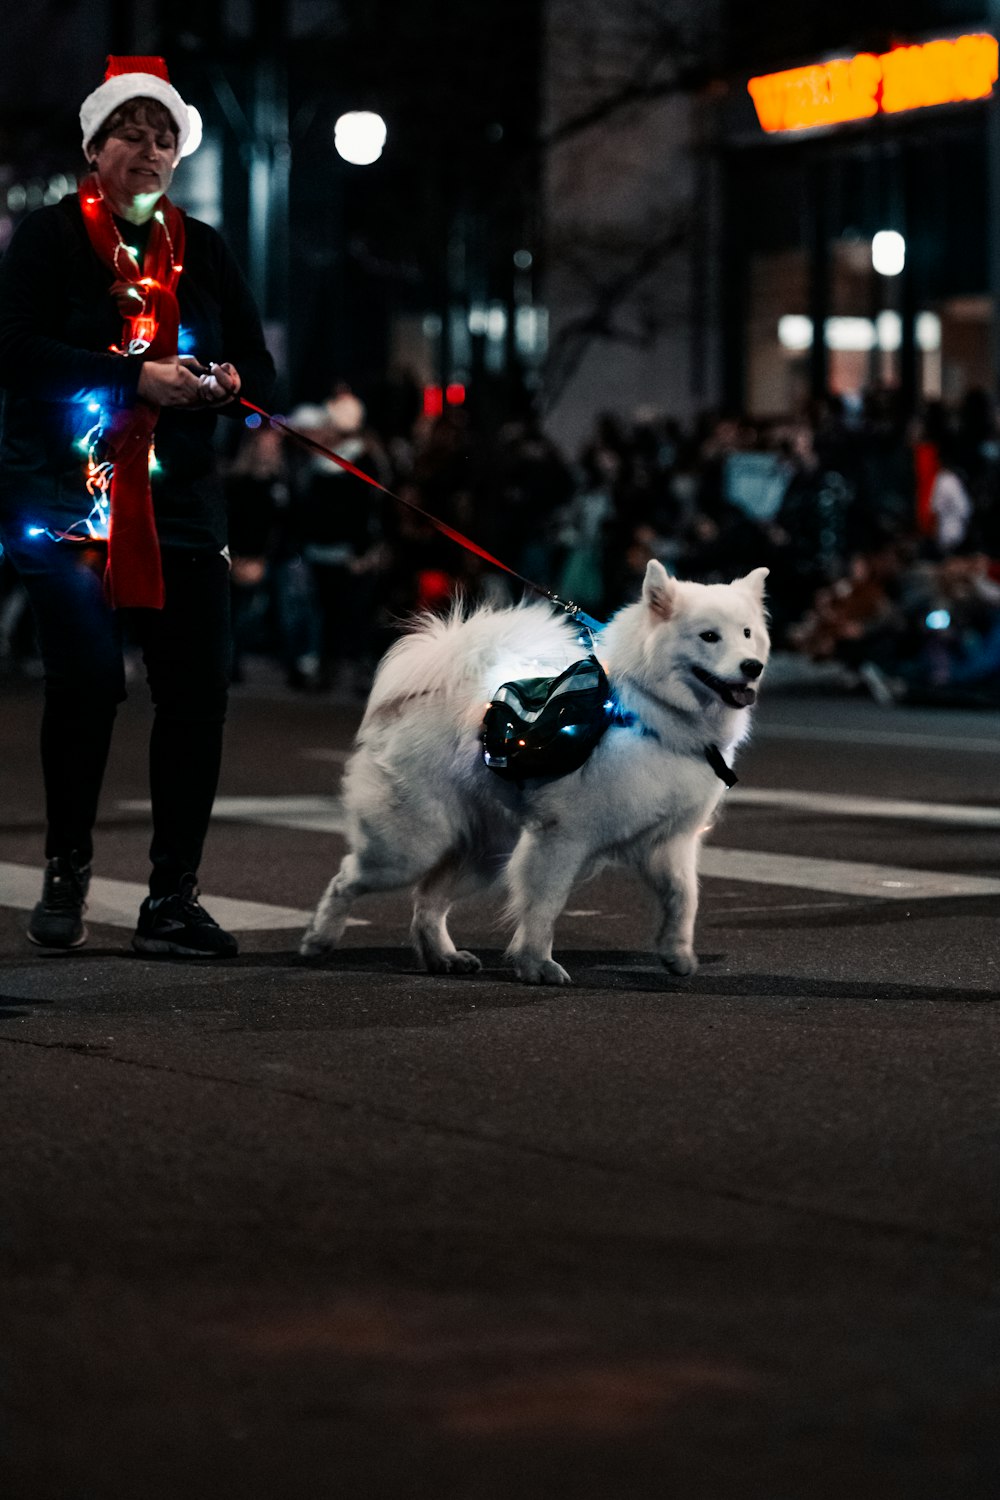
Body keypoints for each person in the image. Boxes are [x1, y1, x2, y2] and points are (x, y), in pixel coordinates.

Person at [0, 56, 275, 955]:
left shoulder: (206, 249)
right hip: (65, 501)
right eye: (131, 132)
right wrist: (132, 375)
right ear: (94, 146)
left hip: (182, 505)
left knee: (195, 698)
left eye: (165, 137)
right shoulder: (46, 240)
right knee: (86, 686)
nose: (149, 151)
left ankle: (171, 898)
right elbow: (14, 352)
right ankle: (69, 867)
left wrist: (230, 383)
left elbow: (262, 377)